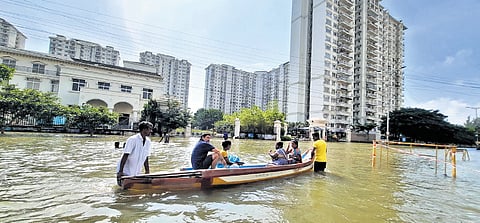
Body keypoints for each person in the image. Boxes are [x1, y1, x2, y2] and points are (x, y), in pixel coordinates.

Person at [116, 121, 153, 186]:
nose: (151, 131)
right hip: (125, 172)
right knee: (124, 192)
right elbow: (125, 155)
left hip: (135, 172)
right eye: (149, 129)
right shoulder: (133, 139)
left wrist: (147, 172)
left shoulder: (148, 141)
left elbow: (146, 157)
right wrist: (120, 171)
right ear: (144, 129)